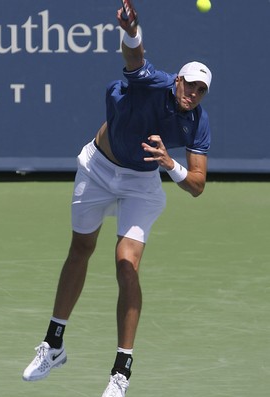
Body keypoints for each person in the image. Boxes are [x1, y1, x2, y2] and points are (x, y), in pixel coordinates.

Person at [22, 6, 212, 397]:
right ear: (177, 80)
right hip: (97, 169)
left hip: (141, 184)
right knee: (81, 248)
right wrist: (132, 29)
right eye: (189, 85)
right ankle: (53, 345)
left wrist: (168, 163)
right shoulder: (153, 82)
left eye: (200, 90)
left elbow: (196, 183)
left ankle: (121, 372)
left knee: (126, 265)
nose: (192, 94)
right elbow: (134, 56)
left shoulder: (197, 121)